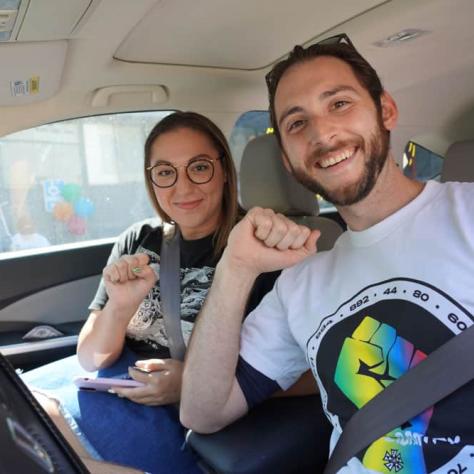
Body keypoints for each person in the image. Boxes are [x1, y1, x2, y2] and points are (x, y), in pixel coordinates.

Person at [180, 38, 474, 473]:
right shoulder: (299, 282)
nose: (321, 134)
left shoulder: (466, 213)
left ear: (385, 110)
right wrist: (235, 269)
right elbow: (202, 412)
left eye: (339, 103)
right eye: (297, 124)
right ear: (286, 156)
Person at [23, 111, 280, 474]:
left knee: (33, 443)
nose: (183, 187)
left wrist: (192, 384)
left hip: (186, 415)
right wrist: (119, 308)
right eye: (165, 172)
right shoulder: (139, 240)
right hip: (111, 385)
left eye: (200, 167)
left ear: (224, 170)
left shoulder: (259, 248)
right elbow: (91, 357)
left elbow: (301, 371)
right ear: (152, 181)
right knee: (18, 414)